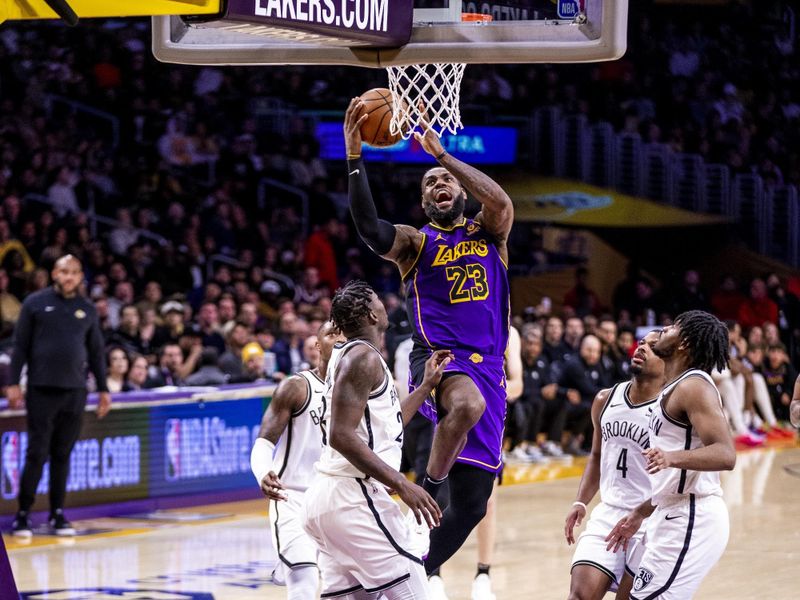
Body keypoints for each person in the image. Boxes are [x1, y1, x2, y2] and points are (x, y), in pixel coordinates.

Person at [343, 95, 514, 573]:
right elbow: (368, 227)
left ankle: (412, 571)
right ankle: (428, 484)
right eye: (430, 183)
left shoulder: (491, 235)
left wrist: (442, 156)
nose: (439, 184)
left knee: (475, 505)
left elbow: (500, 201)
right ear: (423, 202)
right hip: (439, 358)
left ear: (460, 191)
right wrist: (355, 155)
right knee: (465, 406)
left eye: (446, 181)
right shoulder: (416, 243)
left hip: (490, 368)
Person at [301, 280, 452, 599]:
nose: (385, 304)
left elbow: (387, 420)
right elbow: (340, 435)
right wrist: (402, 483)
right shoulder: (362, 359)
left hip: (330, 502)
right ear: (371, 315)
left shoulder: (353, 357)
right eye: (378, 300)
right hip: (352, 497)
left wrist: (424, 387)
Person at [605, 310, 736, 600]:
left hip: (693, 516)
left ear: (685, 342)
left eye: (674, 326)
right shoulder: (673, 387)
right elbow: (674, 478)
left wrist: (672, 456)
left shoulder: (694, 386)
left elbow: (726, 454)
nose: (664, 328)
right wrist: (641, 512)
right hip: (667, 512)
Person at [8, 255, 111, 537]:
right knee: (37, 453)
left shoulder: (86, 309)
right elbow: (20, 346)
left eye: (75, 273)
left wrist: (103, 389)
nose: (69, 277)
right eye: (64, 271)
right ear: (55, 272)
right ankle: (23, 514)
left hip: (75, 391)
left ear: (80, 277)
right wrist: (13, 382)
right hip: (41, 389)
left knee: (62, 454)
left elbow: (96, 353)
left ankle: (57, 514)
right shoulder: (35, 303)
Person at [564, 331, 666, 600]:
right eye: (642, 343)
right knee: (579, 596)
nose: (642, 348)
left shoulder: (671, 412)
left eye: (654, 348)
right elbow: (597, 455)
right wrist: (581, 502)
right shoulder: (605, 399)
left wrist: (643, 513)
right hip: (608, 515)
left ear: (669, 361)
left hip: (650, 521)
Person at [249, 321, 344, 599]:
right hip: (293, 498)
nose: (338, 340)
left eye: (343, 335)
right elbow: (263, 443)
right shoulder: (297, 387)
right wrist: (263, 472)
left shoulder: (355, 393)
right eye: (331, 334)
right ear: (317, 346)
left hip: (337, 500)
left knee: (350, 587)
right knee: (304, 579)